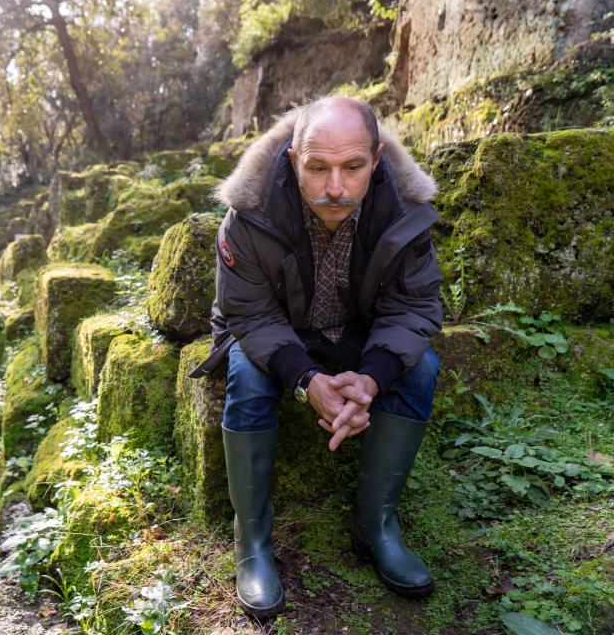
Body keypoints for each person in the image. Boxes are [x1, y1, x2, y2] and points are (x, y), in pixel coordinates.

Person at [188, 96, 443, 616]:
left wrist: (370, 379)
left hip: (355, 332)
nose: (335, 187)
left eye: (352, 168)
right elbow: (249, 315)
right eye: (317, 167)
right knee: (246, 374)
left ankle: (376, 528)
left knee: (422, 367)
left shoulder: (405, 212)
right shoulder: (250, 213)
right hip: (276, 332)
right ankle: (253, 543)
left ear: (375, 160)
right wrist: (305, 381)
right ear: (292, 160)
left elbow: (413, 307)